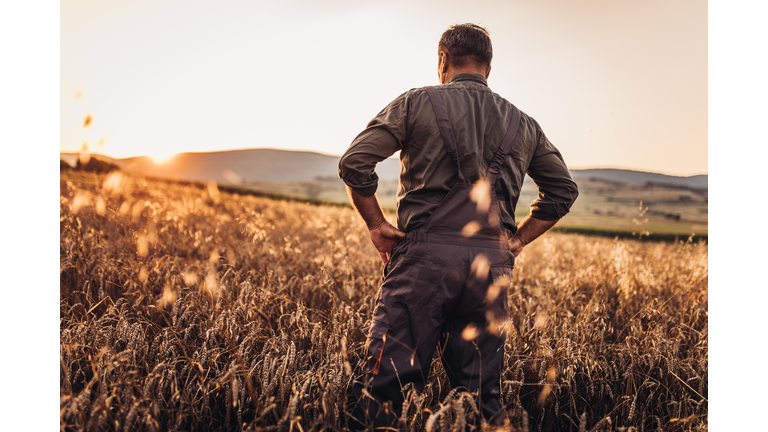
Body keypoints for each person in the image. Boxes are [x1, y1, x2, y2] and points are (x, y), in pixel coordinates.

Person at [338, 23, 579, 429]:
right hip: (491, 267)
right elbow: (563, 192)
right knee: (479, 398)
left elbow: (354, 163)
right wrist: (516, 241)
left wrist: (376, 224)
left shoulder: (416, 103)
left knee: (384, 389)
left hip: (423, 263)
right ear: (489, 67)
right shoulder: (524, 124)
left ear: (443, 60)